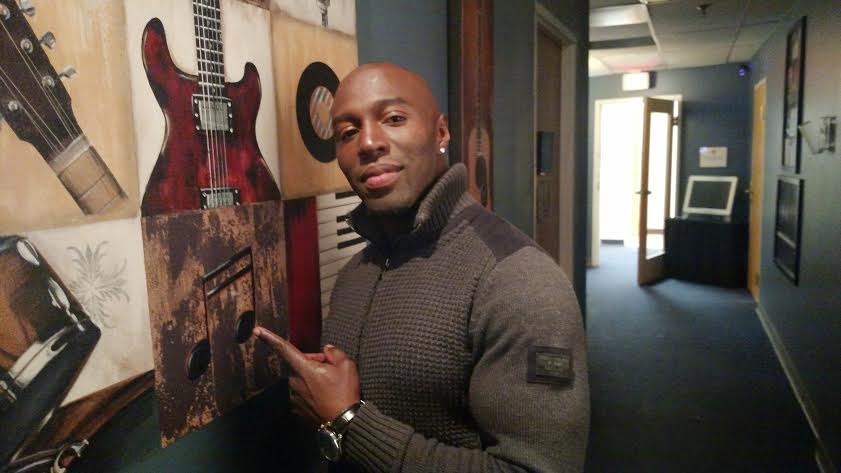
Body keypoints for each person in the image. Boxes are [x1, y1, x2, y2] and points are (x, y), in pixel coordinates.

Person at [254, 63, 589, 472]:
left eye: (394, 118)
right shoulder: (356, 272)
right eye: (348, 132)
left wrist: (348, 421)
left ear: (441, 133)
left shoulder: (520, 282)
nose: (368, 143)